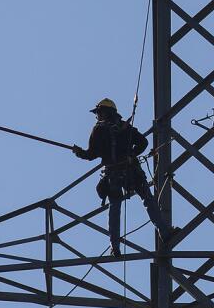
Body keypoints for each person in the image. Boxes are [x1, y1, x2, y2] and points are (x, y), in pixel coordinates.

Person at [73, 98, 173, 255]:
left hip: (114, 175)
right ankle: (165, 233)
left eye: (98, 113)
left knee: (115, 209)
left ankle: (115, 247)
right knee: (148, 200)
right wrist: (132, 154)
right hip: (133, 172)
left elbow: (91, 154)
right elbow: (143, 143)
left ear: (104, 113)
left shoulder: (99, 130)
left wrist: (79, 152)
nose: (97, 116)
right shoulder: (125, 127)